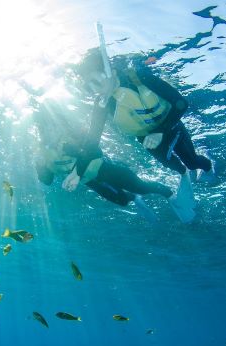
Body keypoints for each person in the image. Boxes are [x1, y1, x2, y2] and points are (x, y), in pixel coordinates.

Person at [73, 48, 216, 222]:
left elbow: (181, 103)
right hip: (147, 139)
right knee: (174, 167)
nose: (95, 90)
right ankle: (184, 176)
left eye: (95, 82)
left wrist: (160, 132)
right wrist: (77, 172)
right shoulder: (102, 104)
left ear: (109, 71)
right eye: (88, 88)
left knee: (192, 162)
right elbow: (92, 142)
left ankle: (208, 166)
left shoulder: (138, 77)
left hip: (171, 126)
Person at [34, 98, 181, 222]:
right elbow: (47, 180)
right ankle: (135, 199)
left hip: (108, 170)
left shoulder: (73, 137)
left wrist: (75, 154)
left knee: (142, 187)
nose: (48, 133)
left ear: (59, 125)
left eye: (51, 127)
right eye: (43, 129)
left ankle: (171, 195)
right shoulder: (42, 152)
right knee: (122, 201)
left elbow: (96, 151)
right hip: (91, 182)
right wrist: (40, 168)